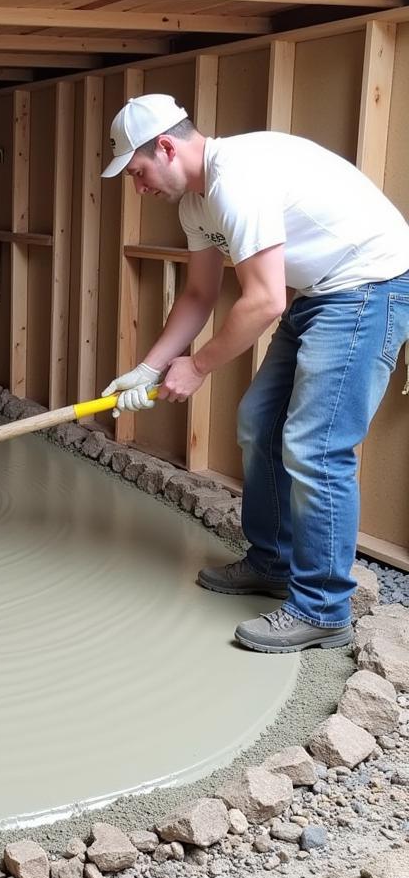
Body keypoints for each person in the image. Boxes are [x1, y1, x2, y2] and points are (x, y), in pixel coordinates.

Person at [100, 93, 409, 653]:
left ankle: (323, 608)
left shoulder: (235, 178)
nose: (139, 187)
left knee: (315, 446)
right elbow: (199, 294)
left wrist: (196, 367)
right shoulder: (194, 205)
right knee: (258, 422)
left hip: (368, 288)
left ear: (167, 147)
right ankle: (273, 562)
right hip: (319, 292)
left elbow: (264, 301)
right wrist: (146, 369)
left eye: (139, 171)